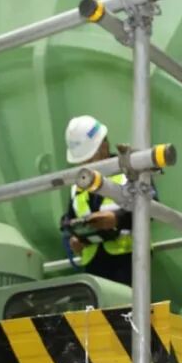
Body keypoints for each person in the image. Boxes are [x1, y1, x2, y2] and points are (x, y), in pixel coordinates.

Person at [61, 114, 133, 286]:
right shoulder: (78, 184)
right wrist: (73, 237)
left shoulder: (129, 171)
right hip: (93, 266)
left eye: (89, 157)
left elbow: (151, 208)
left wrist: (117, 219)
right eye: (81, 160)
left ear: (104, 145)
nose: (85, 163)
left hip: (129, 262)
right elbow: (68, 219)